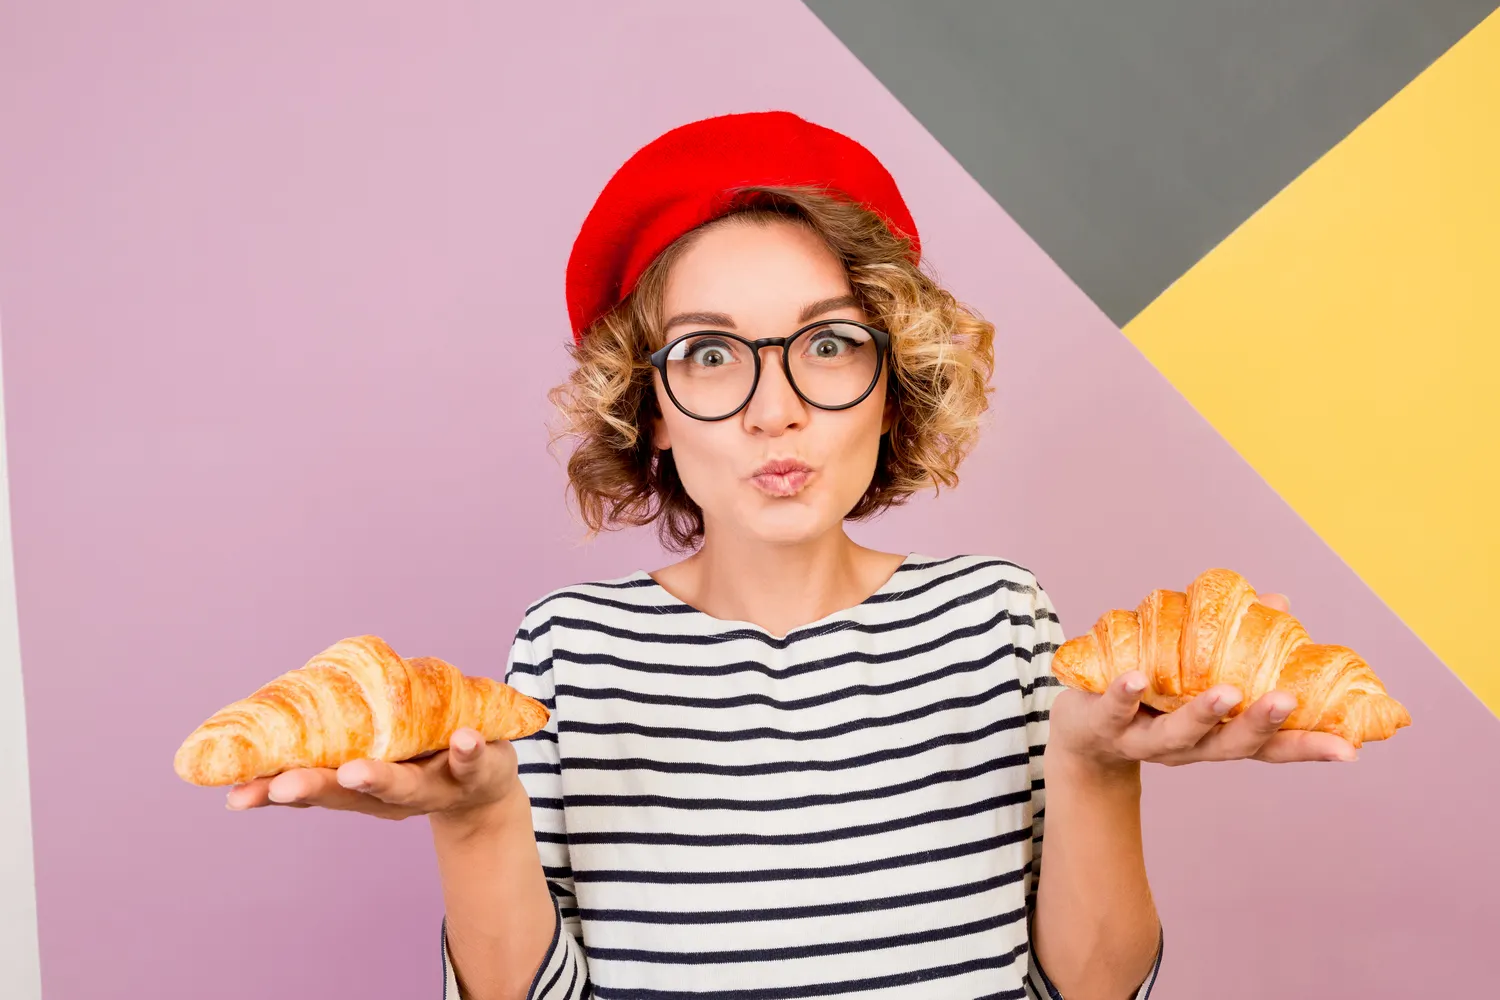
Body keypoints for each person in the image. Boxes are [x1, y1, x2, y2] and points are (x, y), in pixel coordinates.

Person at [224, 111, 1359, 1000]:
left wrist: (1095, 765)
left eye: (827, 343)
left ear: (894, 379)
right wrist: (472, 818)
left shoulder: (1000, 623)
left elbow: (1092, 991)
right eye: (713, 354)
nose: (777, 409)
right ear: (651, 407)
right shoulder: (574, 651)